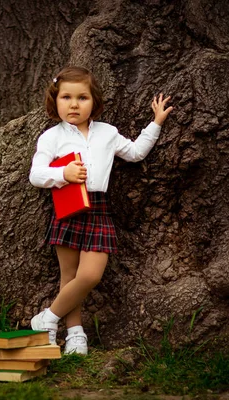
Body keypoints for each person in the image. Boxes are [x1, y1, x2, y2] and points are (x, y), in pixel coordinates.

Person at [28, 66, 173, 355]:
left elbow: (134, 153)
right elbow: (36, 174)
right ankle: (75, 334)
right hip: (68, 208)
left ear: (94, 102)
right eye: (66, 97)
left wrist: (155, 123)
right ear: (55, 101)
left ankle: (47, 319)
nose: (73, 104)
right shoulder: (52, 137)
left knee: (90, 276)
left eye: (82, 98)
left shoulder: (107, 133)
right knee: (69, 278)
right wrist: (63, 174)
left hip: (98, 209)